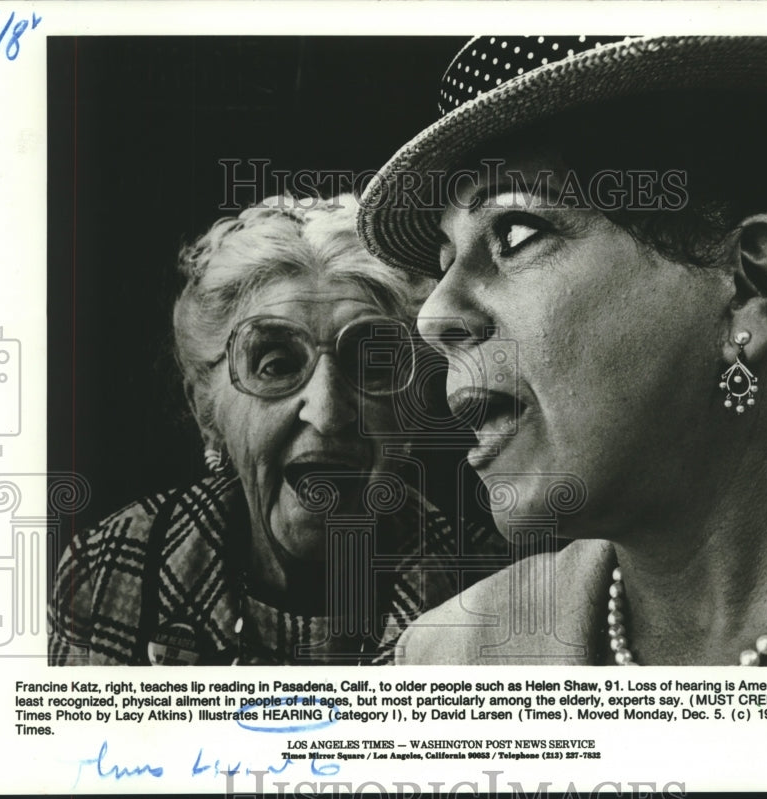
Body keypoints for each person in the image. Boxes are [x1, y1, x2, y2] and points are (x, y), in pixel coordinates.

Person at [358, 35, 767, 666]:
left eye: (515, 233)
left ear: (750, 287)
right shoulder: (452, 662)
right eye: (444, 265)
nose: (435, 316)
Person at [49, 194, 500, 665]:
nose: (327, 414)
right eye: (276, 364)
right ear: (207, 414)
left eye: (370, 367)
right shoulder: (108, 569)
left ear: (410, 410)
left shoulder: (498, 586)